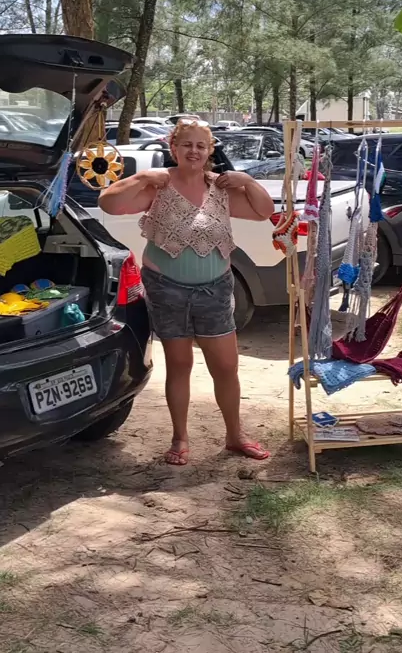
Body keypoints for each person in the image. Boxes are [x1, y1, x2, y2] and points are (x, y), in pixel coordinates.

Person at [99, 119, 275, 465]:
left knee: (225, 366)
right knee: (179, 365)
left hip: (215, 291)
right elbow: (109, 203)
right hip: (167, 290)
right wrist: (142, 177)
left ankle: (235, 435)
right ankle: (179, 438)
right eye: (186, 145)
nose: (194, 151)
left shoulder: (221, 188)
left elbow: (264, 211)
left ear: (210, 151)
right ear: (173, 148)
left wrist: (248, 181)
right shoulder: (159, 185)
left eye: (201, 146)